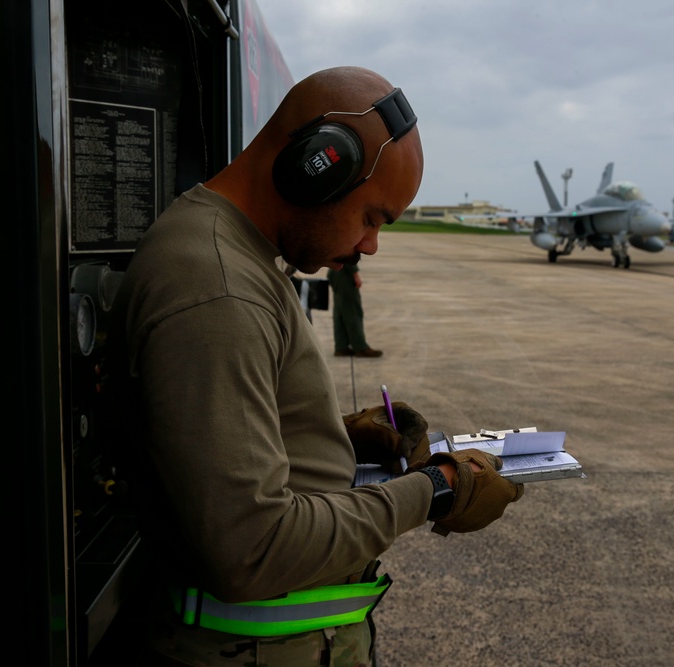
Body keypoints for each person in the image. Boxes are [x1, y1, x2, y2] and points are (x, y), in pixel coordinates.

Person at [110, 66, 523, 666]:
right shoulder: (221, 289)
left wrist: (337, 437)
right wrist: (437, 489)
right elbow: (251, 548)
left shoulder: (235, 255)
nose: (371, 245)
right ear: (316, 166)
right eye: (373, 217)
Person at [328, 263, 382, 357]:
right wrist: (355, 273)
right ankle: (360, 348)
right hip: (344, 270)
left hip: (335, 270)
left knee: (340, 310)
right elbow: (347, 251)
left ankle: (341, 346)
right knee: (352, 310)